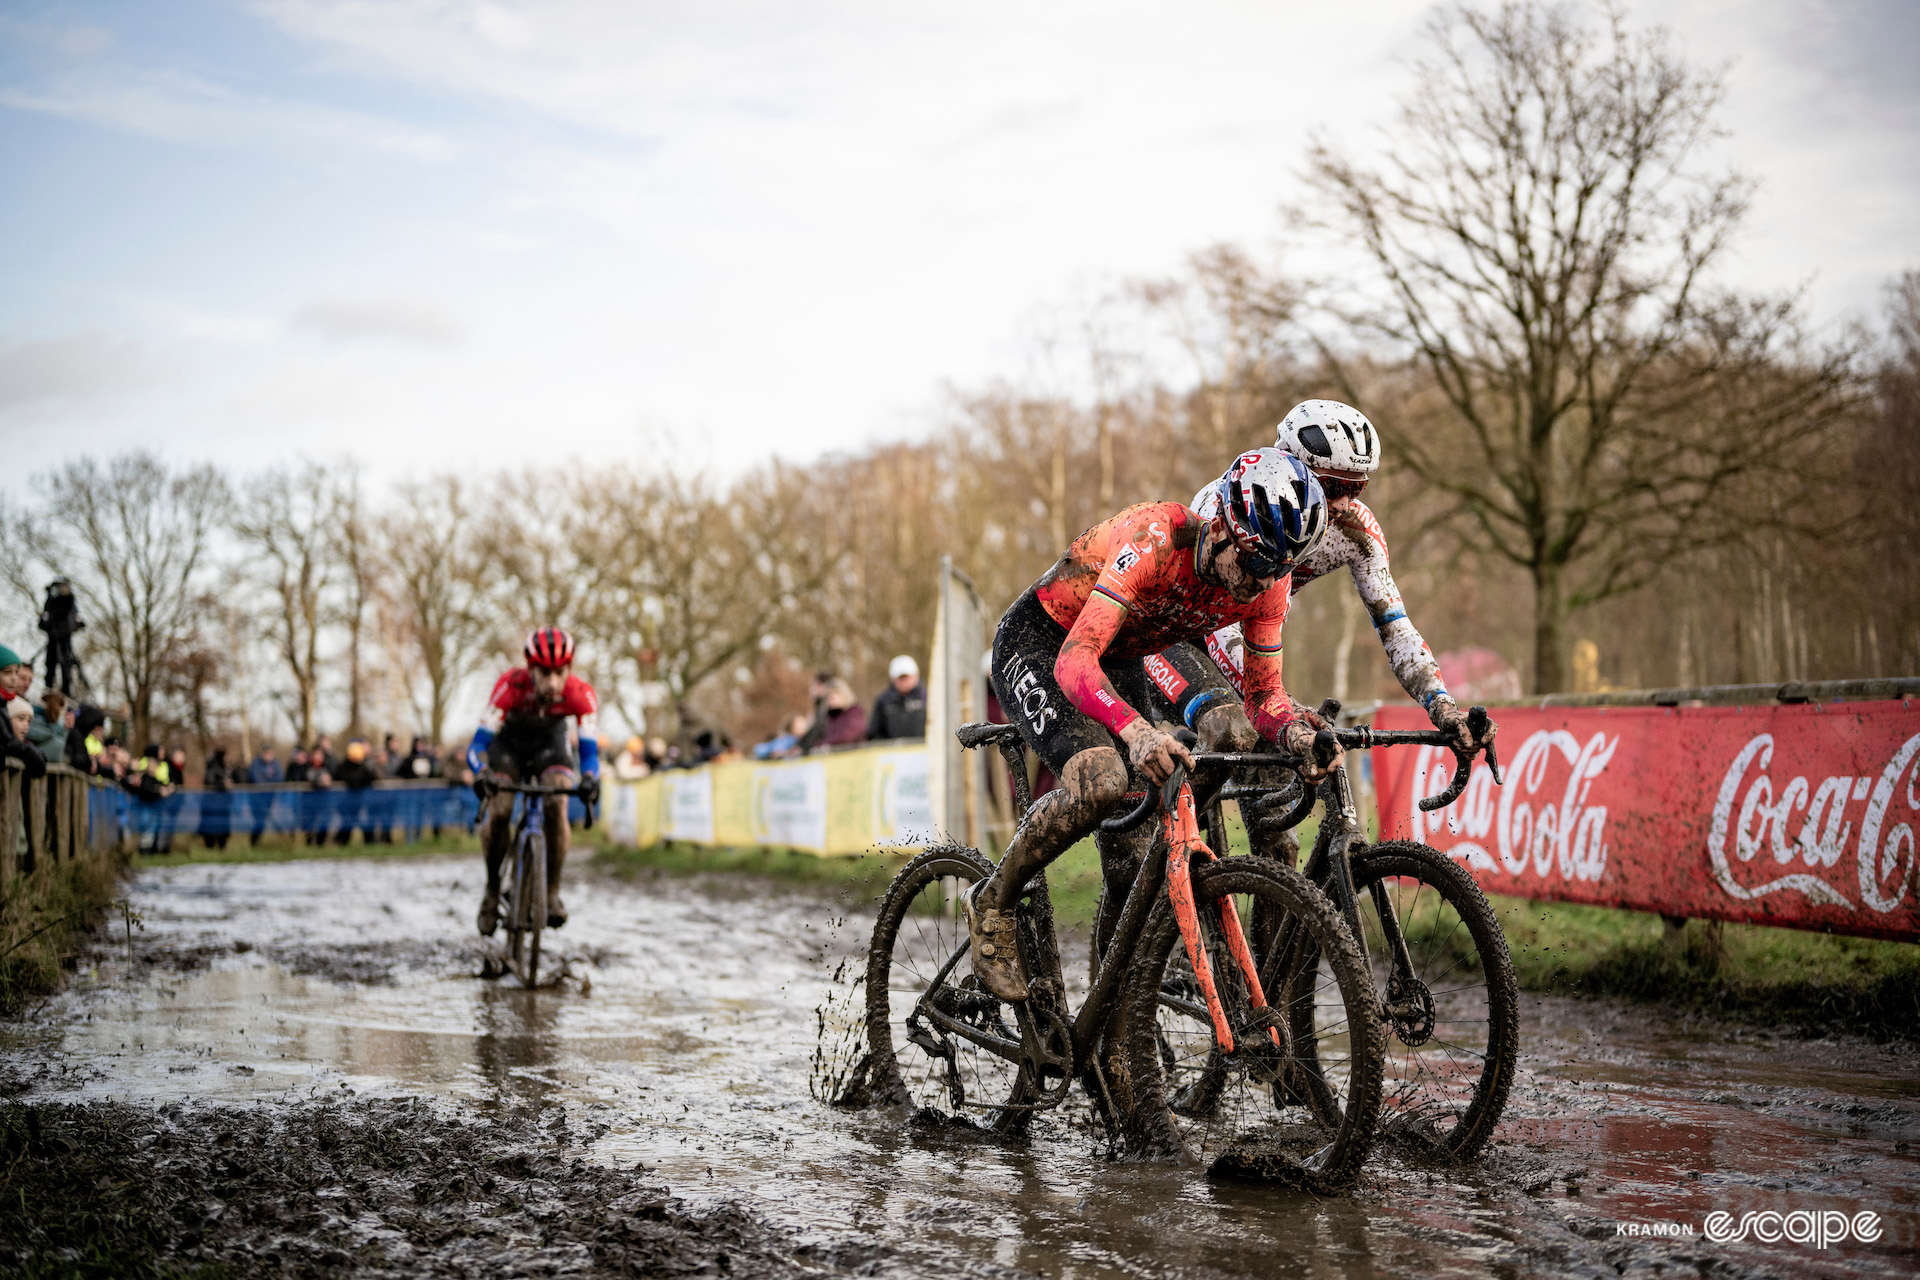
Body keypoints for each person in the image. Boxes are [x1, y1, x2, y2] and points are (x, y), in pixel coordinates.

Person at [967, 448, 1335, 1001]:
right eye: (1259, 564)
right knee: (1102, 779)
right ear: (1226, 529)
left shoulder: (1268, 578)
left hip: (1118, 659)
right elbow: (1074, 660)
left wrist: (1301, 736)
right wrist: (1136, 731)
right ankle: (992, 904)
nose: (1264, 584)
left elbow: (1264, 697)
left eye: (1283, 569)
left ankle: (1109, 1025)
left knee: (1133, 861)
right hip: (1045, 644)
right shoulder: (1157, 538)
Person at [1146, 401, 1495, 857]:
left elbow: (1396, 628)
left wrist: (1442, 706)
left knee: (1281, 850)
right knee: (1235, 729)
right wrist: (1285, 711)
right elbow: (1223, 635)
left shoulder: (1356, 530)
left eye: (1358, 488)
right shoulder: (1232, 499)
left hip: (1251, 655)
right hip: (1175, 641)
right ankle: (1160, 855)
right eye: (1332, 487)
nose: (1345, 504)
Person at [466, 627, 601, 935]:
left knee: (558, 799)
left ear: (569, 669)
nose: (553, 682)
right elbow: (477, 746)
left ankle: (551, 892)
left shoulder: (581, 694)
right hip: (509, 746)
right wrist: (481, 772)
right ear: (530, 669)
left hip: (550, 744)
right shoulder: (510, 685)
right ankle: (491, 889)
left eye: (560, 672)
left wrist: (591, 778)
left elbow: (590, 753)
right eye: (544, 673)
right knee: (500, 809)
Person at [867, 655, 927, 741]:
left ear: (916, 676)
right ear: (893, 680)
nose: (904, 682)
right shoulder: (883, 702)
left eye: (906, 677)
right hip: (893, 752)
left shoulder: (926, 698)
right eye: (900, 678)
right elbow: (874, 733)